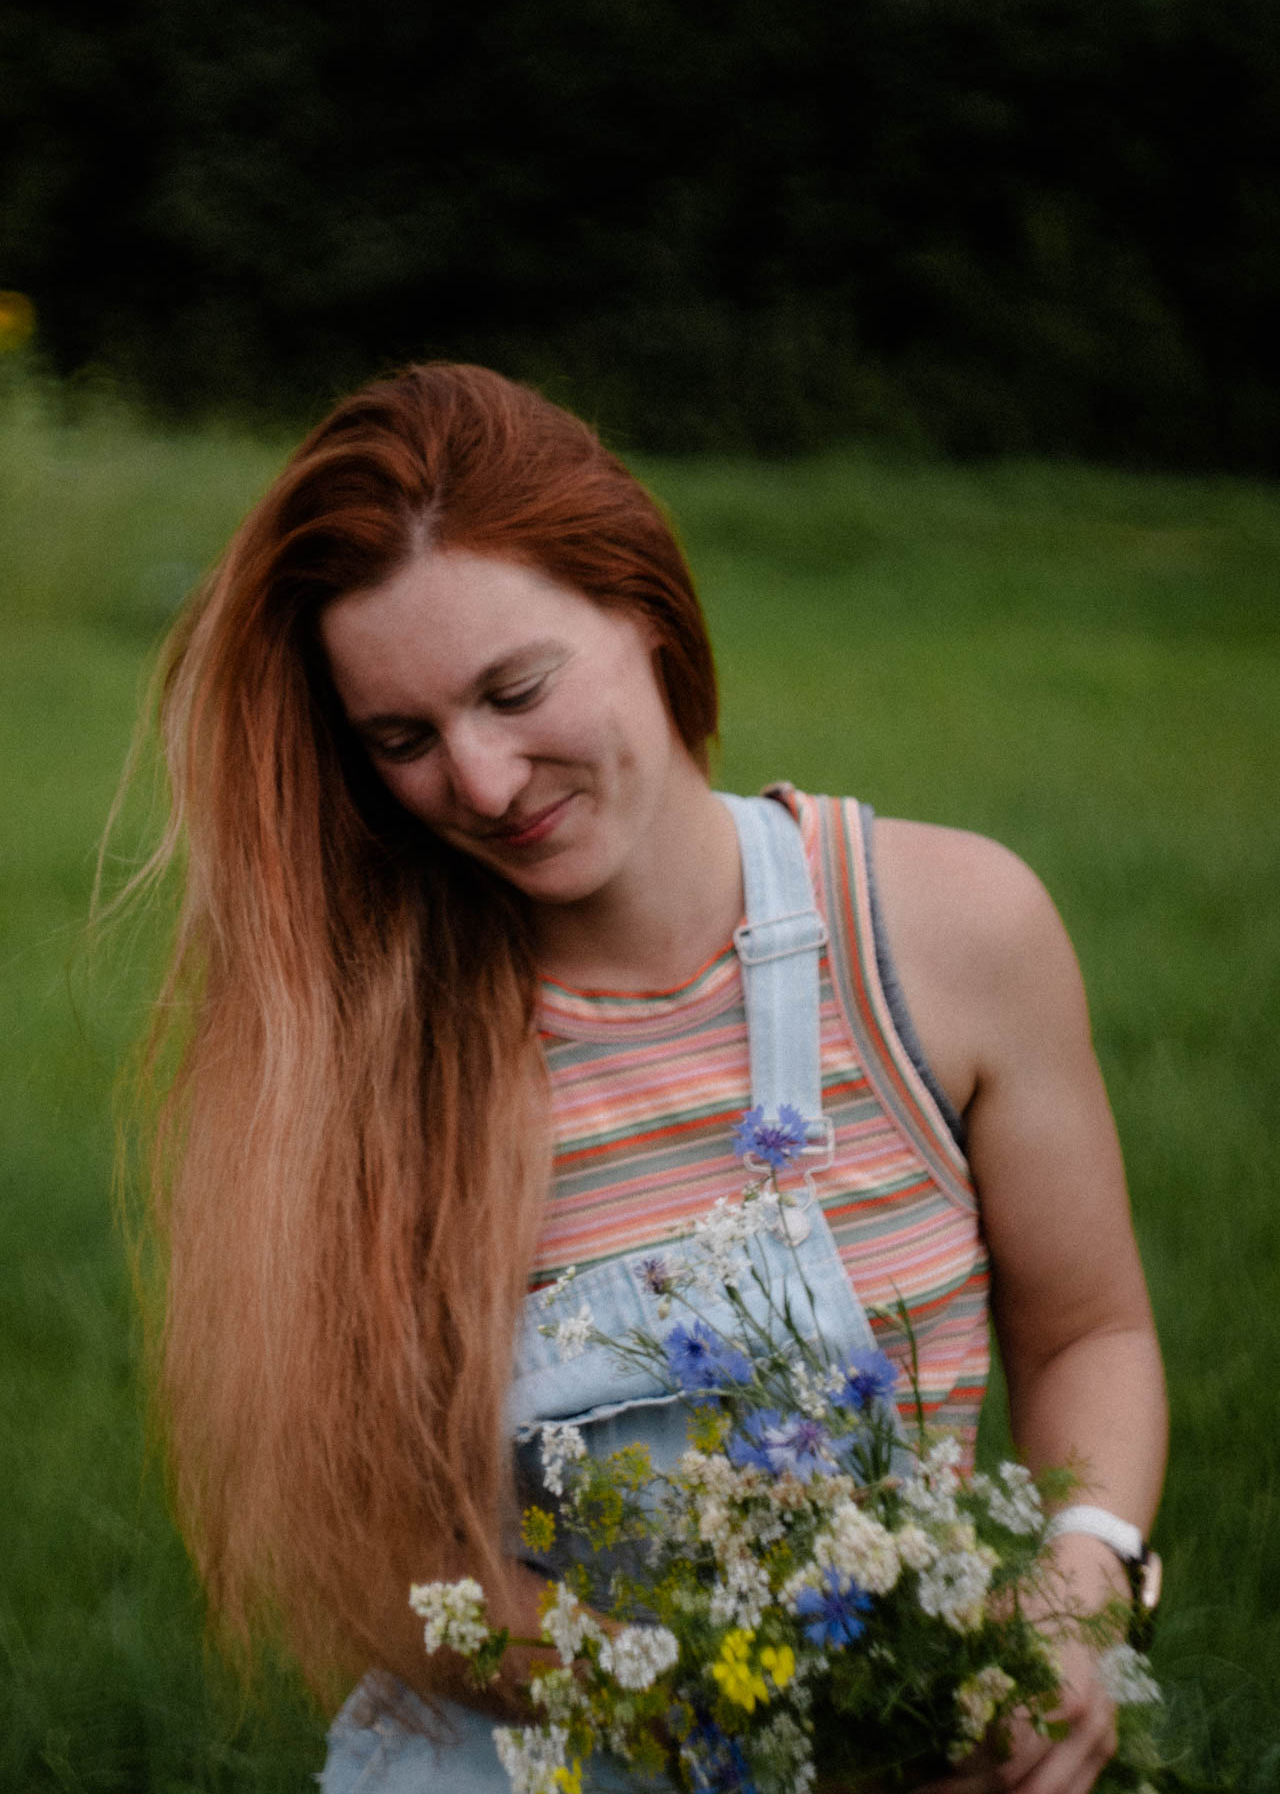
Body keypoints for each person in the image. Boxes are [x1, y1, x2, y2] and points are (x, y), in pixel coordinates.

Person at [127, 362, 1166, 1794]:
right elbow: (382, 1560)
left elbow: (1088, 1336)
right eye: (405, 741)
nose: (483, 784)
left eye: (515, 689)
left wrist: (1076, 1595)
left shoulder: (949, 934)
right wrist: (774, 1723)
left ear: (642, 603)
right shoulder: (362, 1041)